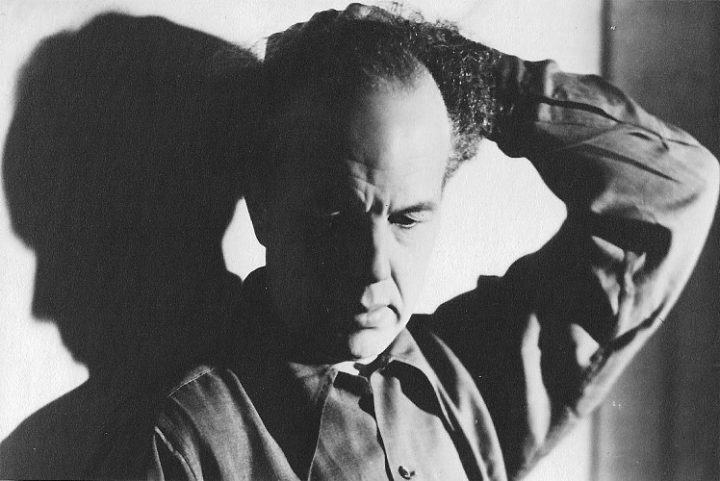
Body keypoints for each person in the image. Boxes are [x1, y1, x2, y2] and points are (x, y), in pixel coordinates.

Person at [144, 4, 719, 481]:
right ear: (263, 207)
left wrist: (464, 71)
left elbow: (673, 187)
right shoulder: (189, 441)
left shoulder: (470, 378)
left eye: (408, 219)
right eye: (335, 215)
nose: (375, 265)